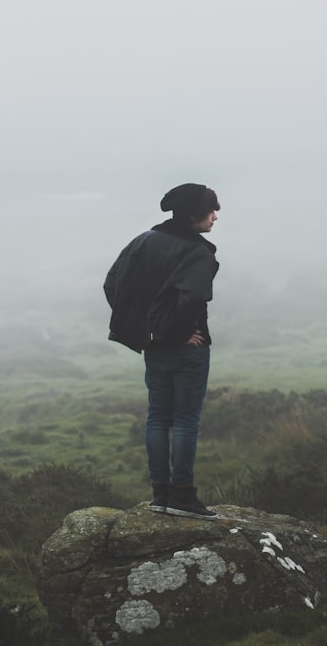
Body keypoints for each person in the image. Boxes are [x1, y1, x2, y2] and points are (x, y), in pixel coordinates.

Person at [103, 183, 220, 520]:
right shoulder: (197, 252)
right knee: (185, 421)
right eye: (211, 210)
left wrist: (146, 331)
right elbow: (193, 298)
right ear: (193, 214)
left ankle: (160, 495)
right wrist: (180, 333)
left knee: (157, 418)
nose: (216, 216)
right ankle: (182, 496)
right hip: (187, 351)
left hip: (153, 348)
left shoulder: (143, 241)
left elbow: (113, 284)